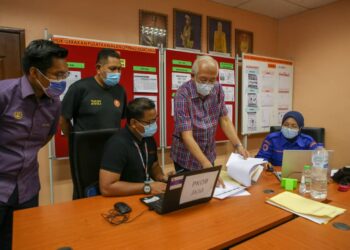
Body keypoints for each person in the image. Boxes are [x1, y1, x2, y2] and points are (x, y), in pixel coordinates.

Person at [0, 39, 68, 249]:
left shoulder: (54, 102)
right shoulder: (4, 93)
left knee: (25, 242)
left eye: (64, 74)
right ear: (34, 73)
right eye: (57, 74)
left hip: (28, 188)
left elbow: (46, 136)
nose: (61, 80)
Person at [171, 55, 249, 178]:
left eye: (212, 80)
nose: (208, 84)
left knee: (212, 190)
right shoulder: (182, 94)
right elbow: (186, 135)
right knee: (191, 193)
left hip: (208, 152)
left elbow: (225, 119)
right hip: (186, 157)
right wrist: (205, 163)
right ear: (193, 76)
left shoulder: (217, 89)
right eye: (203, 79)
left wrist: (238, 145)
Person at [99, 98, 167, 196]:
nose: (154, 125)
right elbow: (107, 188)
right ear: (134, 123)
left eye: (155, 119)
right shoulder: (117, 144)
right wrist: (147, 187)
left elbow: (154, 166)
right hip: (124, 196)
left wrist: (161, 177)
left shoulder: (148, 138)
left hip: (144, 193)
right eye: (149, 122)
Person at [60, 48, 127, 136]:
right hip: (86, 147)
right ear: (98, 68)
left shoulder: (120, 90)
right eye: (112, 68)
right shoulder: (79, 88)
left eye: (119, 69)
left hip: (113, 147)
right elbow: (63, 119)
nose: (117, 73)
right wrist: (74, 142)